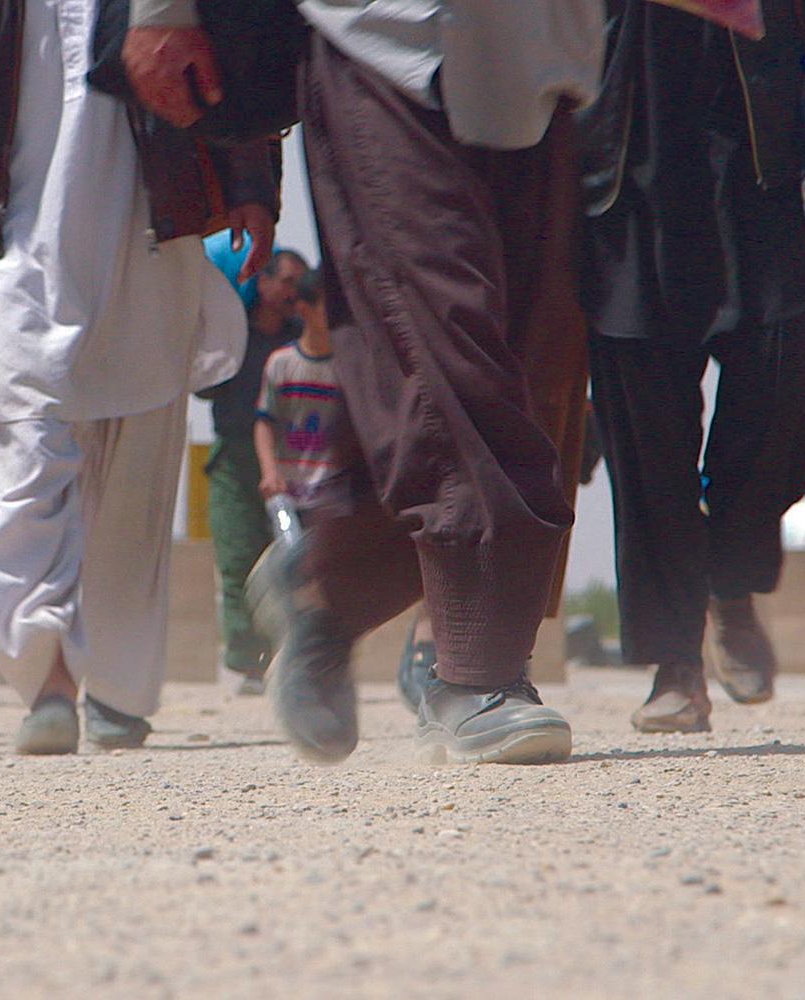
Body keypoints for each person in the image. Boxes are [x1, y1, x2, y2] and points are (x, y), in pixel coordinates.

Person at [127, 1, 603, 765]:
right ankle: (479, 674)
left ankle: (327, 586)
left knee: (526, 359)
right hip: (380, 38)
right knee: (441, 329)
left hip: (547, 51)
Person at [0, 0, 277, 754]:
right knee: (15, 452)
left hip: (147, 220)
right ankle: (48, 678)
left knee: (135, 466)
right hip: (9, 237)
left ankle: (118, 687)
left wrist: (254, 182)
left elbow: (230, 44)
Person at [578, 1, 805, 733]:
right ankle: (675, 667)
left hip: (758, 172)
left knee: (783, 387)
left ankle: (733, 576)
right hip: (618, 183)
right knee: (645, 440)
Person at [200, 249, 307, 694]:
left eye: (299, 285)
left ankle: (295, 657)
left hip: (293, 460)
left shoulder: (302, 339)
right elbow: (204, 386)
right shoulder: (233, 332)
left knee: (294, 562)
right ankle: (245, 662)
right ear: (262, 283)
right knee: (237, 559)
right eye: (286, 281)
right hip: (234, 458)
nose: (292, 293)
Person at [253, 268, 349, 511]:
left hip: (334, 498)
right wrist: (269, 472)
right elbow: (265, 421)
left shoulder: (350, 367)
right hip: (289, 495)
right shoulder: (281, 363)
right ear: (305, 309)